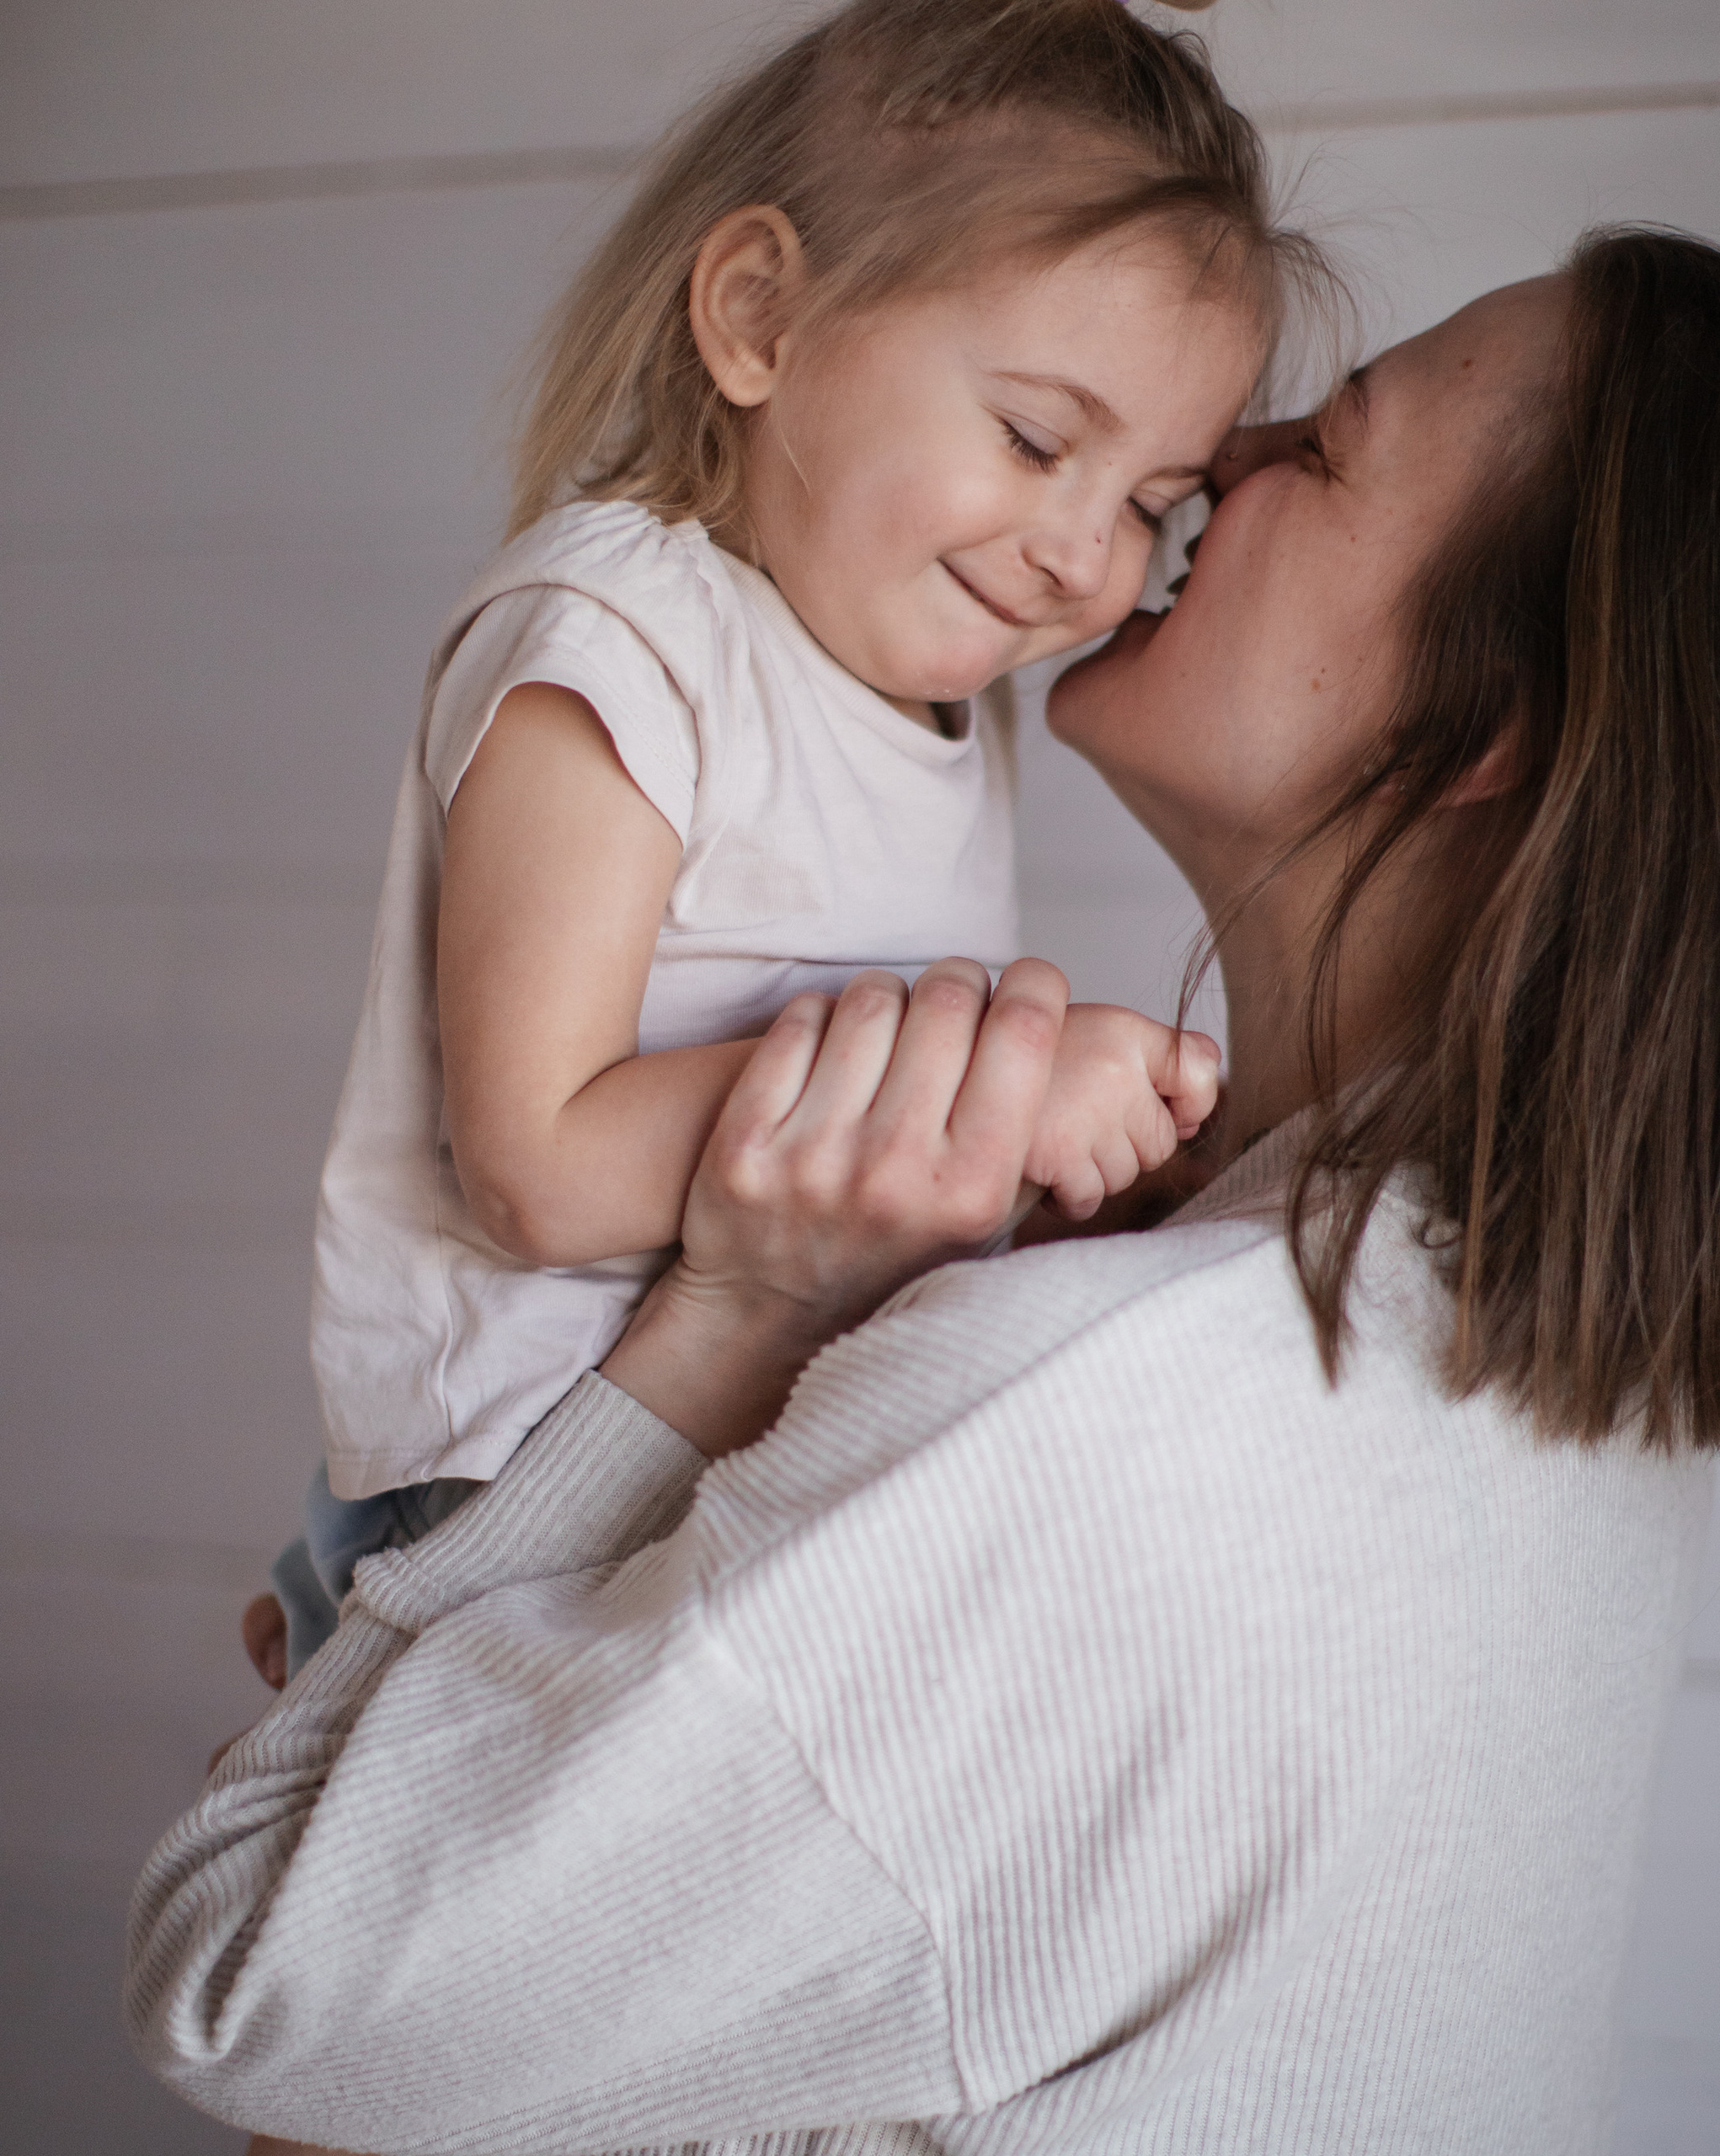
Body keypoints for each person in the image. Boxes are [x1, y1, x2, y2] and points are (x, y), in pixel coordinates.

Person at [130, 231, 1720, 2153]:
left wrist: (732, 1327)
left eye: (1327, 442)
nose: (1222, 454)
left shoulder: (1115, 1425)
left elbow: (252, 1983)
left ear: (1487, 730)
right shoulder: (1516, 1357)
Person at [250, 0, 1327, 1685]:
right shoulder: (618, 639)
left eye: (1147, 506)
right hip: (512, 1483)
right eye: (1038, 439)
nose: (1079, 553)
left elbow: (848, 1172)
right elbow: (538, 1165)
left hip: (719, 1447)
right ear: (762, 316)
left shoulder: (923, 699)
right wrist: (1002, 1078)